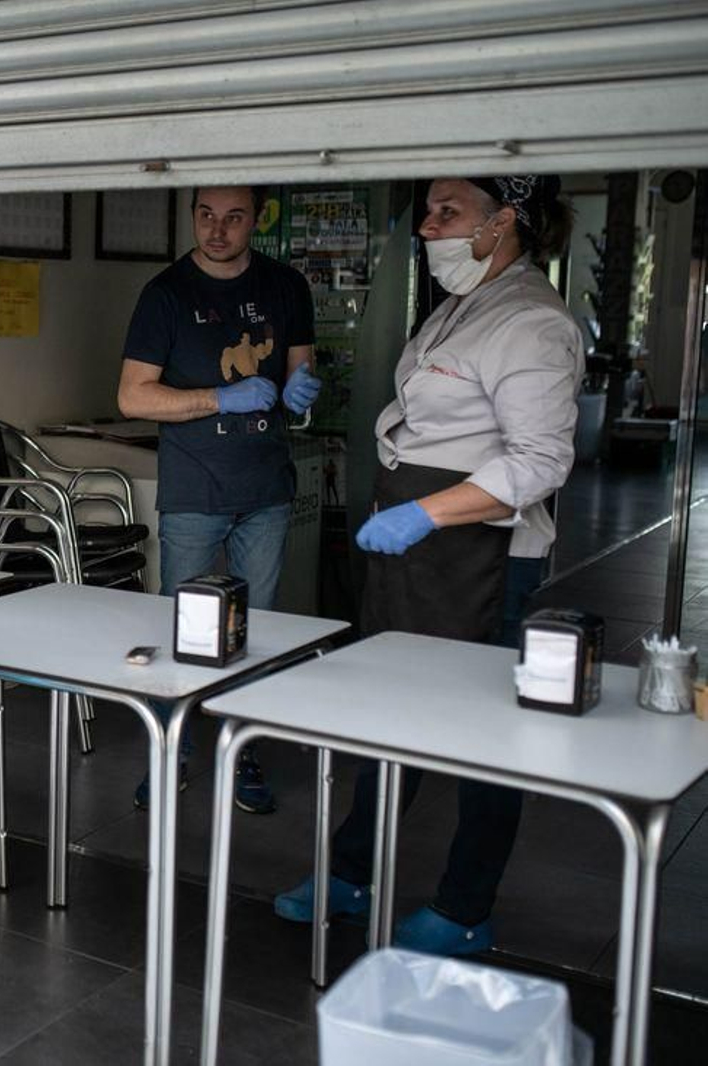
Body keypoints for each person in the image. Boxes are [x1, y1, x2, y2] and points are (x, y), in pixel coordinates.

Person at [274, 175, 580, 956]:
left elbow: (541, 460)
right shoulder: (463, 306)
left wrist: (425, 512)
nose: (428, 228)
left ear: (502, 222)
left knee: (486, 740)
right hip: (417, 548)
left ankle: (465, 906)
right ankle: (352, 870)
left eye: (450, 213)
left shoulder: (532, 322)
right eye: (429, 212)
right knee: (391, 712)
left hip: (482, 558)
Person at [118, 185, 321, 814]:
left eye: (233, 218)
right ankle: (170, 750)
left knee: (255, 630)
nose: (217, 229)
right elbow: (133, 397)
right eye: (206, 215)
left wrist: (306, 391)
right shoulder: (166, 294)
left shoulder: (287, 287)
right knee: (185, 628)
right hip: (195, 489)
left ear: (257, 221)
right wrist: (217, 397)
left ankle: (243, 749)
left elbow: (302, 370)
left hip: (266, 488)